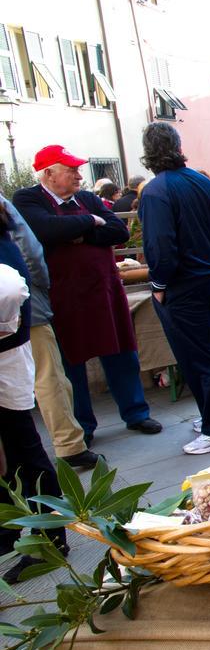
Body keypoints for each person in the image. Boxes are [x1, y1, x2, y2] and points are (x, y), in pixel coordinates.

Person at [13, 146, 162, 446]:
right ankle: (84, 425)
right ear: (48, 174)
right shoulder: (27, 199)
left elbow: (118, 231)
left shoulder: (87, 198)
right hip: (63, 295)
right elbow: (44, 229)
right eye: (71, 171)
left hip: (102, 290)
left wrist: (77, 234)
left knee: (121, 352)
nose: (79, 175)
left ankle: (135, 412)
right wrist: (92, 222)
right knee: (71, 362)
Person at [138, 123, 210, 455]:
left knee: (198, 357)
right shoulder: (203, 182)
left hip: (183, 283)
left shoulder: (156, 190)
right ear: (178, 146)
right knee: (206, 352)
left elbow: (159, 245)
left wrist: (159, 285)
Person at [0, 204, 71, 584]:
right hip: (11, 351)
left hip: (6, 357)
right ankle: (14, 528)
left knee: (23, 448)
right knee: (16, 450)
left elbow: (13, 286)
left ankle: (49, 534)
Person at [4, 194, 97, 469]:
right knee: (48, 375)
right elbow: (28, 249)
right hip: (19, 304)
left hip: (15, 304)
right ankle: (68, 445)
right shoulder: (16, 202)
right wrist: (41, 288)